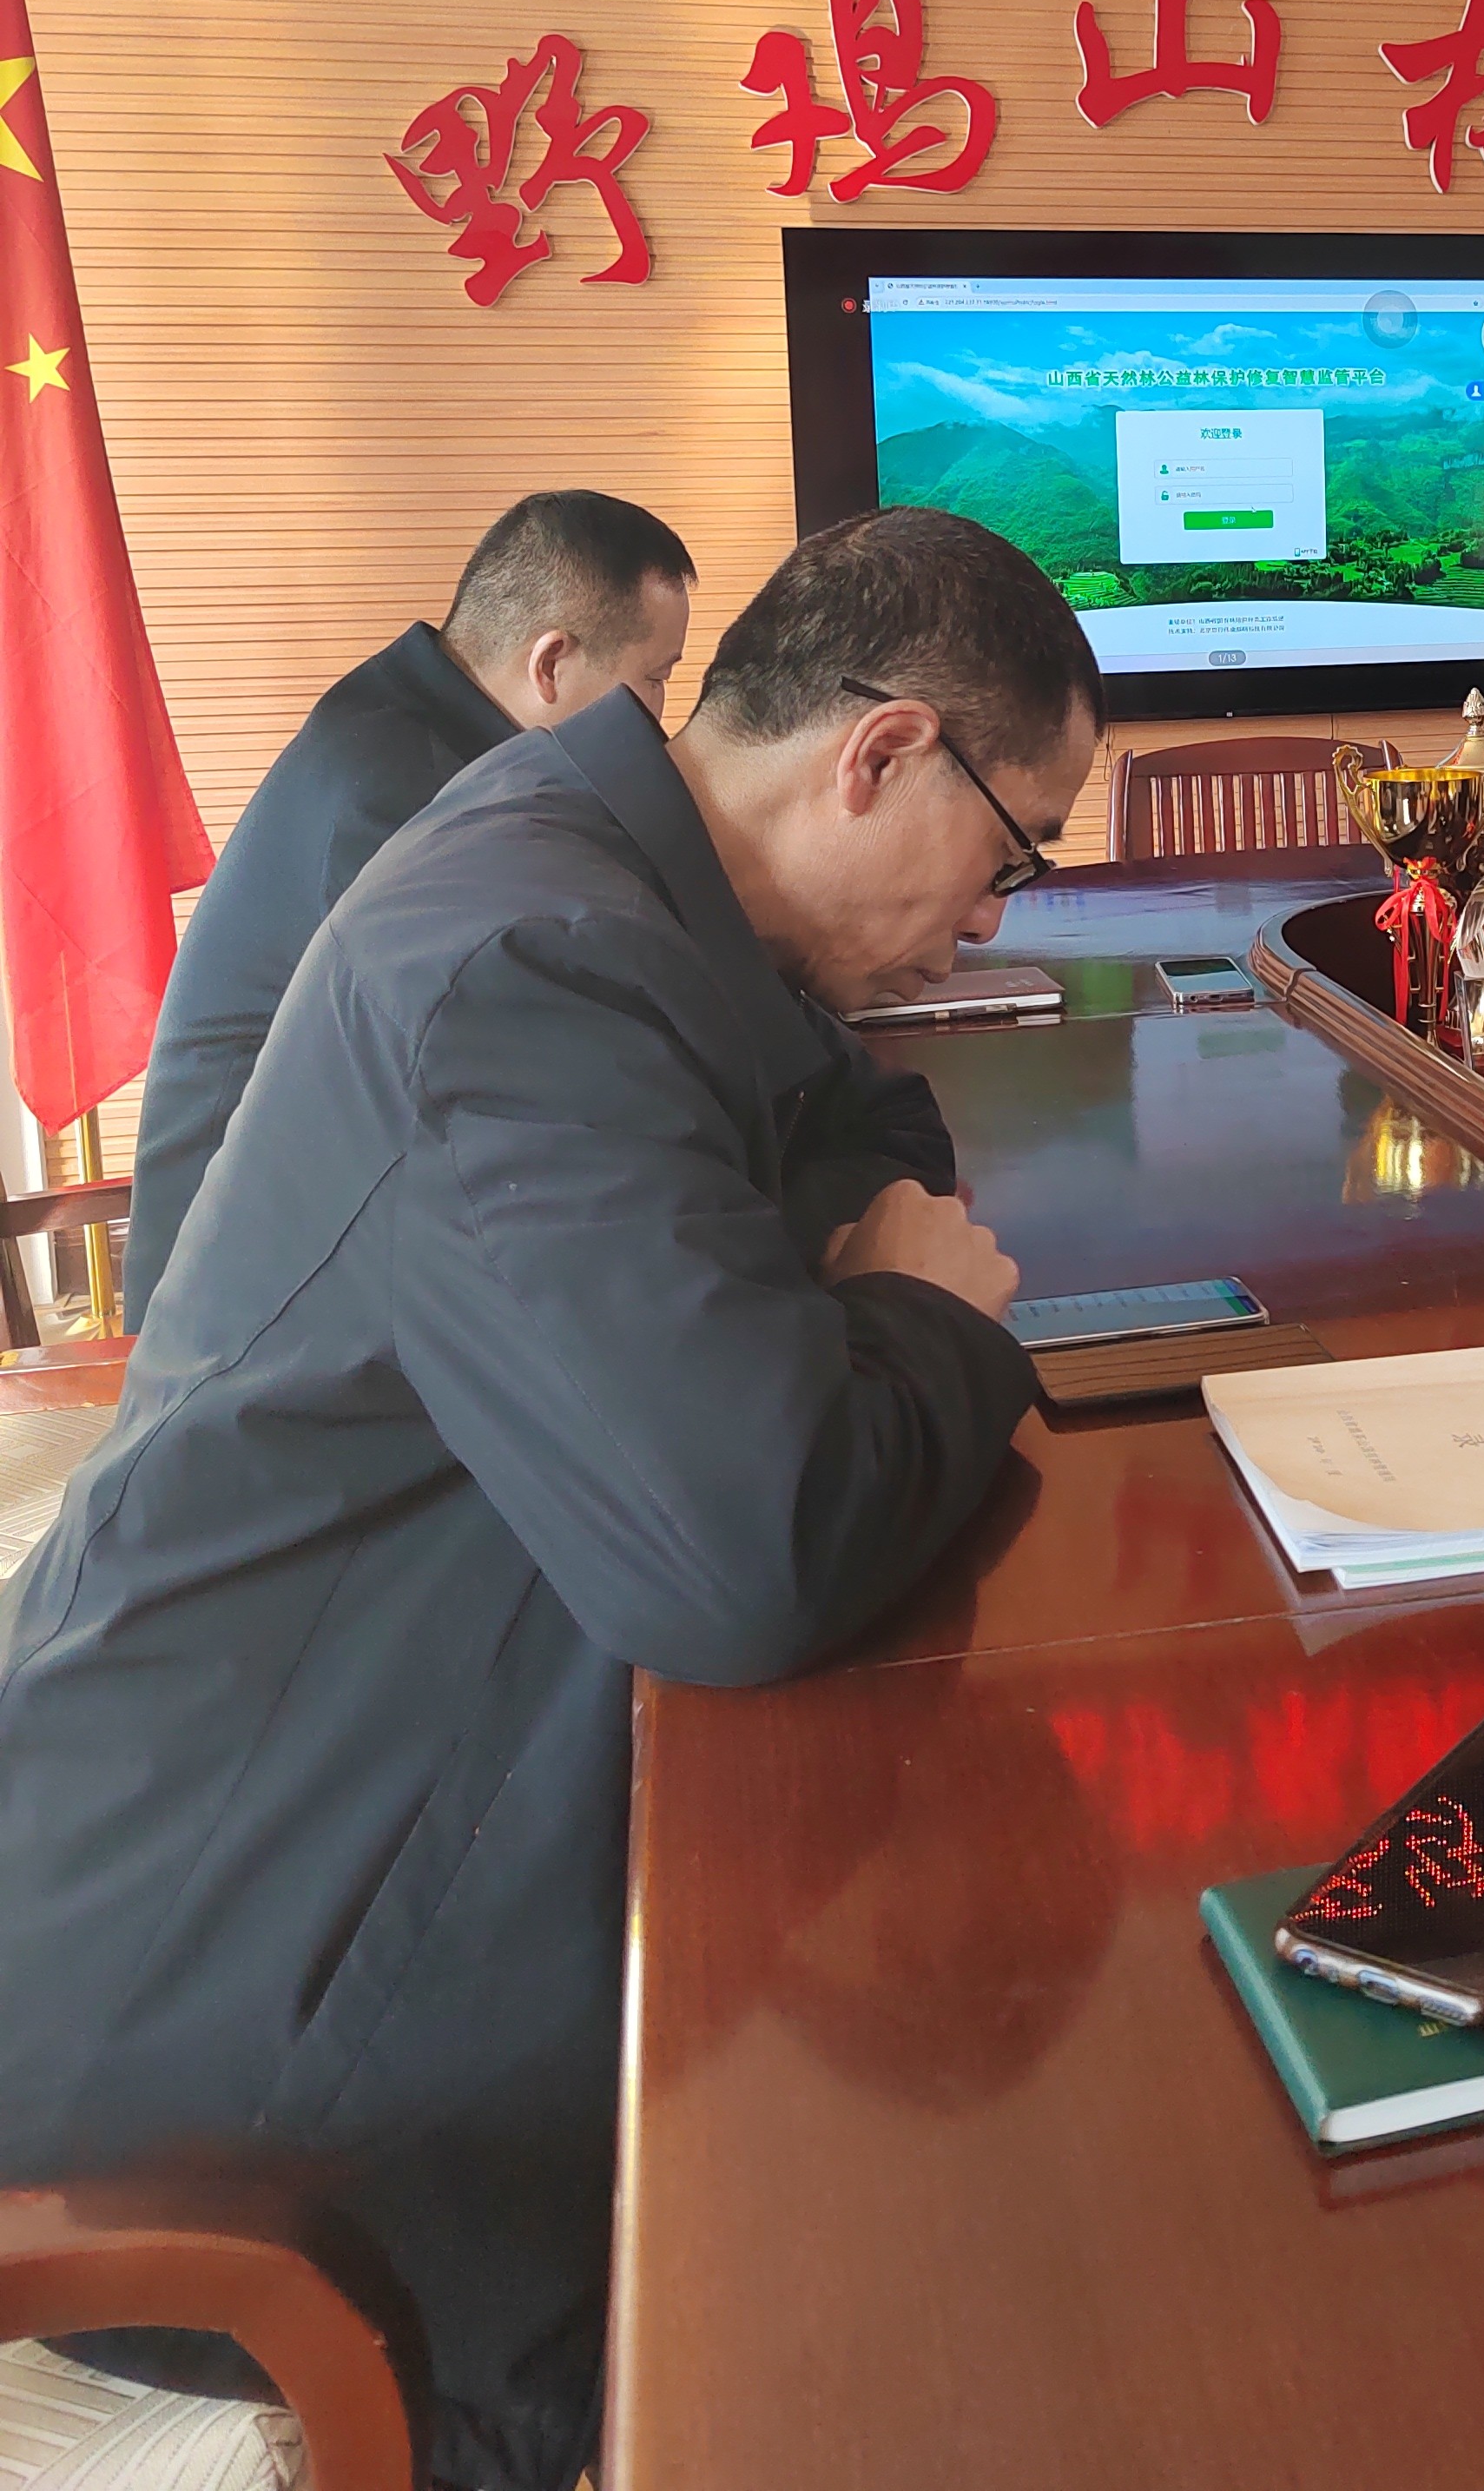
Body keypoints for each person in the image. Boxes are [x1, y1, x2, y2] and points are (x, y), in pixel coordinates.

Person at [0, 505, 1099, 2491]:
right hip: (224, 2026)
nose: (993, 923)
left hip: (311, 1774)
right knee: (884, 2233)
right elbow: (740, 1549)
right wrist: (927, 1323)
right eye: (1013, 853)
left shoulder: (624, 866)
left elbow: (855, 1122)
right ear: (882, 752)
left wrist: (867, 1265)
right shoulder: (540, 950)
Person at [122, 488, 698, 1325]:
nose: (661, 724)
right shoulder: (404, 789)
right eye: (656, 679)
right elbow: (522, 1051)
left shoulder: (426, 722)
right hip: (233, 1304)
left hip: (319, 1223)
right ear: (550, 665)